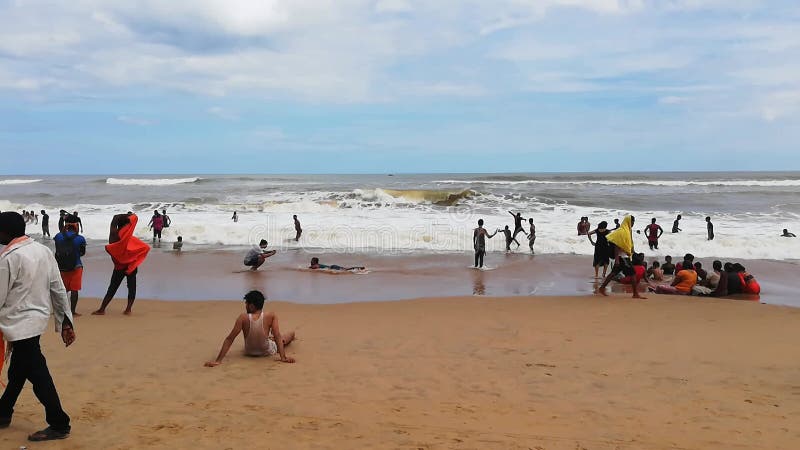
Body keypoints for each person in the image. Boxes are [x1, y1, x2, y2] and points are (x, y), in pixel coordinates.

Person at [0, 212, 75, 442]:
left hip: (18, 325)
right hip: (36, 321)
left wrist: (65, 323)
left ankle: (59, 423)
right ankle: (3, 413)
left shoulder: (9, 258)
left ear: (6, 232)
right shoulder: (42, 250)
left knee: (38, 375)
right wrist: (65, 322)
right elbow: (58, 288)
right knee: (19, 371)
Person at [205, 290, 295, 366]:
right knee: (289, 335)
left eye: (246, 304)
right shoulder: (271, 316)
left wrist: (218, 361)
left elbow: (230, 339)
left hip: (249, 352)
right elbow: (278, 336)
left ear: (251, 306)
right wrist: (283, 358)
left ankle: (270, 338)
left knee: (273, 338)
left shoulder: (242, 318)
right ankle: (285, 337)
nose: (245, 306)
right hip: (266, 352)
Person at [92, 213, 150, 316]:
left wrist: (125, 216)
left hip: (119, 267)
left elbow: (115, 217)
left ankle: (102, 309)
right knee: (132, 287)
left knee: (112, 287)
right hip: (131, 266)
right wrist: (130, 216)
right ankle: (128, 309)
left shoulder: (114, 235)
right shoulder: (129, 237)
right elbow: (144, 247)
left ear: (118, 224)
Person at [597, 215, 644, 298]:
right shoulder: (622, 231)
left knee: (613, 273)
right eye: (632, 221)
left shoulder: (627, 230)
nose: (633, 223)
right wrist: (617, 259)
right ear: (629, 221)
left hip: (624, 256)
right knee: (632, 274)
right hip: (622, 257)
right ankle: (635, 294)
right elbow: (616, 245)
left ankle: (602, 288)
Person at [53, 215, 87, 316]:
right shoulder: (80, 238)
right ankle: (72, 311)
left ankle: (60, 310)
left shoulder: (58, 236)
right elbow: (82, 253)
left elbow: (57, 249)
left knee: (62, 290)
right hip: (76, 266)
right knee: (74, 290)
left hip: (62, 267)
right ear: (76, 225)